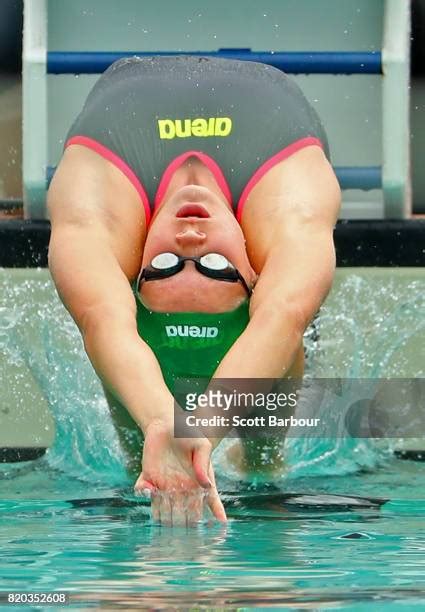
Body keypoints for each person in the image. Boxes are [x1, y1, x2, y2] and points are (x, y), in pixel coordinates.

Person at [48, 56, 341, 525]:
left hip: (122, 121)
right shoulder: (289, 204)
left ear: (136, 270)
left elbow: (102, 317)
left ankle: (148, 453)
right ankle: (264, 463)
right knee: (290, 314)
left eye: (163, 266)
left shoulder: (98, 207)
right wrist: (192, 429)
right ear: (254, 272)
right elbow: (281, 314)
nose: (189, 240)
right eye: (216, 268)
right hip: (273, 112)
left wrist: (167, 426)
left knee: (104, 317)